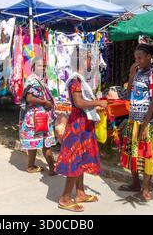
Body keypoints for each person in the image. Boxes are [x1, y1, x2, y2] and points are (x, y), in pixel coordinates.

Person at [55, 47, 108, 212]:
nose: (91, 62)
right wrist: (98, 103)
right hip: (76, 126)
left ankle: (80, 193)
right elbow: (79, 103)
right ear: (80, 62)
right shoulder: (76, 81)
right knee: (74, 160)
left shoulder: (80, 79)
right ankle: (65, 198)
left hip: (82, 125)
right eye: (88, 59)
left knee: (81, 159)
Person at [118, 43, 153, 201]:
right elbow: (128, 94)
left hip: (146, 122)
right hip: (133, 119)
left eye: (140, 58)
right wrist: (131, 73)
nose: (137, 60)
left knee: (147, 154)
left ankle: (146, 188)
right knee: (132, 152)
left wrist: (144, 126)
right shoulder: (137, 73)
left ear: (149, 57)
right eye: (136, 58)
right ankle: (135, 183)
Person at [19, 57, 57, 175]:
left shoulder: (35, 79)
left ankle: (31, 167)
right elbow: (29, 98)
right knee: (46, 143)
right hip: (38, 116)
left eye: (43, 66)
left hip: (35, 116)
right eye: (39, 65)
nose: (42, 68)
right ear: (33, 66)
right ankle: (52, 169)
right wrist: (45, 102)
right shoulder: (33, 80)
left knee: (34, 142)